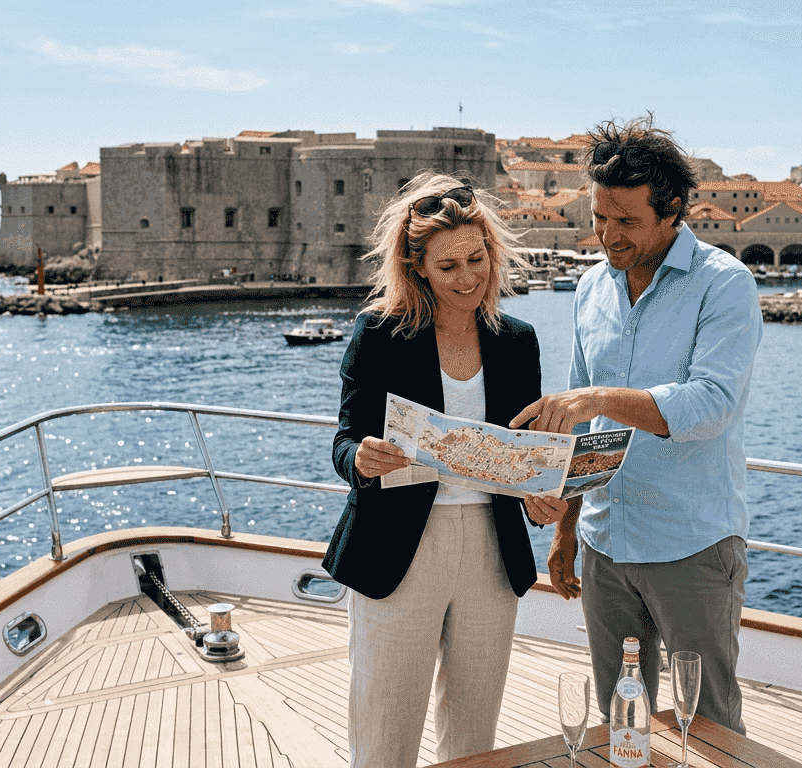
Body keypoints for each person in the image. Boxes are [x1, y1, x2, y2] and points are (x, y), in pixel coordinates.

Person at [511, 115, 763, 734]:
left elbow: (710, 405)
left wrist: (595, 397)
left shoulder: (726, 284)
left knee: (707, 729)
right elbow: (583, 428)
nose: (606, 236)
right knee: (621, 721)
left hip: (693, 547)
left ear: (673, 209)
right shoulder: (591, 287)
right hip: (603, 545)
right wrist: (566, 528)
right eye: (599, 217)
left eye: (626, 221)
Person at [325, 172, 568, 767]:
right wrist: (359, 459)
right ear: (418, 270)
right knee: (384, 732)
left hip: (492, 547)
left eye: (476, 259)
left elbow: (519, 451)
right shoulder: (379, 332)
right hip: (396, 547)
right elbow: (344, 439)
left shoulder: (518, 340)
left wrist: (541, 498)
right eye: (448, 266)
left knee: (474, 735)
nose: (467, 278)